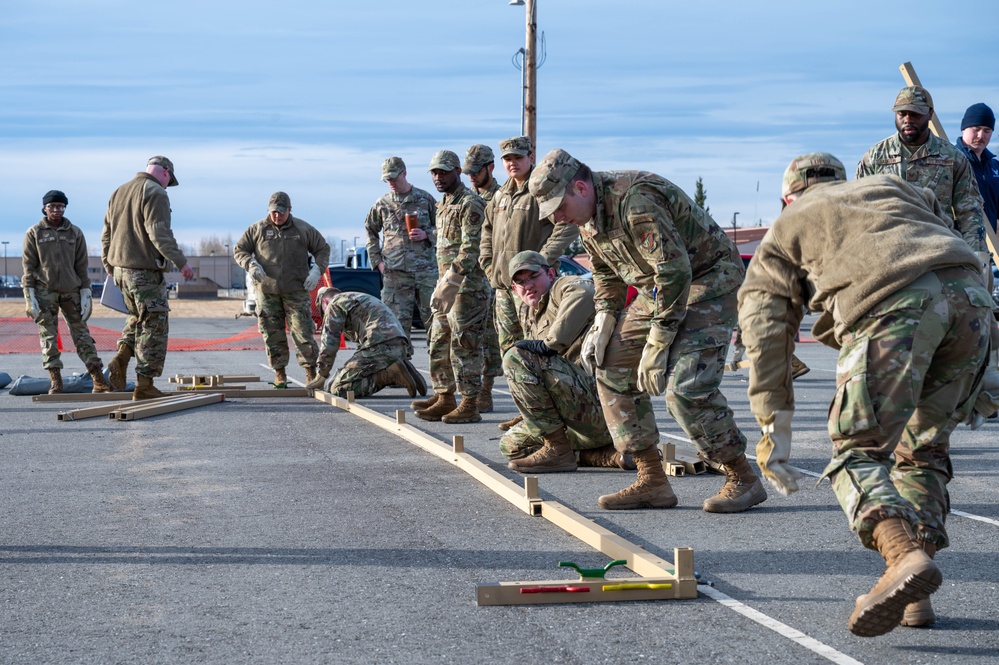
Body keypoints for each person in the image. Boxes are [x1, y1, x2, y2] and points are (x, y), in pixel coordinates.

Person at [739, 152, 999, 637]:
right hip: (975, 305)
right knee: (922, 451)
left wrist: (773, 427)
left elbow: (765, 330)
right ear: (843, 181)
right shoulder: (892, 188)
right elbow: (947, 250)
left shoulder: (788, 223)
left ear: (786, 196)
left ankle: (901, 557)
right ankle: (913, 594)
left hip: (894, 305)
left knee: (855, 449)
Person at [529, 148, 765, 513]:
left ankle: (742, 477)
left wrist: (658, 341)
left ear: (580, 187)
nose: (559, 217)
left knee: (684, 388)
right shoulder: (587, 217)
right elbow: (606, 273)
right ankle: (651, 479)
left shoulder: (635, 199)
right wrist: (606, 319)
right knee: (610, 364)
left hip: (707, 281)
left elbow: (675, 271)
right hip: (655, 289)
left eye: (560, 206)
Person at [501, 251, 633, 472]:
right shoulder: (532, 313)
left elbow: (585, 290)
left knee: (516, 357)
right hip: (577, 418)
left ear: (551, 273)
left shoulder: (562, 287)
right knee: (511, 445)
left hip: (605, 410)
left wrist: (551, 344)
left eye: (534, 277)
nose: (528, 285)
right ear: (515, 289)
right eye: (520, 282)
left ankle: (557, 448)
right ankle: (604, 456)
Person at [856, 86, 988, 263]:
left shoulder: (953, 158)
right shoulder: (875, 157)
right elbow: (859, 210)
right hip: (888, 255)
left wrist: (978, 256)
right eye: (902, 114)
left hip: (940, 253)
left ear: (930, 114)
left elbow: (970, 211)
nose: (908, 120)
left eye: (916, 114)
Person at [101, 156, 195, 400]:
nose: (167, 185)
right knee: (154, 324)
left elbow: (106, 233)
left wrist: (108, 265)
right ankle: (144, 385)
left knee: (137, 318)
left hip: (120, 269)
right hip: (143, 271)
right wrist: (182, 262)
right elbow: (159, 233)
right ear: (165, 172)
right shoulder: (155, 192)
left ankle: (121, 359)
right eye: (169, 180)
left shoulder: (119, 191)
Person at [480, 136, 578, 359]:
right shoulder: (500, 195)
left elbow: (567, 225)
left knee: (537, 346)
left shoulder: (542, 189)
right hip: (505, 286)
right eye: (507, 158)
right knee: (510, 350)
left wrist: (540, 262)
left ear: (530, 157)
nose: (512, 162)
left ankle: (543, 393)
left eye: (518, 157)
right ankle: (520, 394)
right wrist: (488, 265)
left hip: (533, 286)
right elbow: (487, 232)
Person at [411, 150, 490, 424]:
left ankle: (470, 402)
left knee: (464, 345)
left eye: (444, 172)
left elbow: (471, 248)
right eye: (434, 172)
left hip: (466, 287)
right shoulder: (443, 204)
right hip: (446, 286)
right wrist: (443, 283)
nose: (438, 177)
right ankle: (445, 396)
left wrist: (453, 278)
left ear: (458, 171)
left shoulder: (471, 203)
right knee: (438, 340)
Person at [234, 192, 330, 388]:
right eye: (273, 212)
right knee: (272, 334)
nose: (277, 216)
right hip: (267, 291)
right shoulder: (258, 229)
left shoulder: (302, 229)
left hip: (296, 290)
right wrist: (251, 264)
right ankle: (280, 373)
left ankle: (310, 372)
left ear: (289, 209)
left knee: (303, 332)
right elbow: (240, 250)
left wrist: (316, 271)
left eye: (281, 212)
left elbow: (323, 249)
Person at [22, 190, 113, 394]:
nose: (56, 210)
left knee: (82, 335)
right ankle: (56, 381)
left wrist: (86, 290)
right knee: (49, 337)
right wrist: (29, 295)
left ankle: (98, 379)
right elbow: (28, 267)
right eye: (52, 206)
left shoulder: (75, 233)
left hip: (72, 292)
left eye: (60, 206)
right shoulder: (34, 233)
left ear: (65, 208)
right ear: (44, 208)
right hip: (45, 291)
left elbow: (82, 265)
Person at [305, 286, 426, 398]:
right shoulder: (356, 298)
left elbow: (329, 342)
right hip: (398, 346)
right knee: (341, 377)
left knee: (337, 388)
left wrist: (322, 375)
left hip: (380, 346)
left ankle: (390, 375)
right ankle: (399, 365)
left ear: (324, 302)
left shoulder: (334, 304)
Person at [363, 157, 438, 338]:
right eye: (387, 180)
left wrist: (427, 234)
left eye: (394, 178)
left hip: (425, 271)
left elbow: (444, 227)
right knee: (394, 327)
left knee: (436, 323)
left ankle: (439, 365)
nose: (391, 183)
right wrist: (377, 261)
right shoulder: (383, 204)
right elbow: (370, 231)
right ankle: (400, 365)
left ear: (404, 173)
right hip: (395, 272)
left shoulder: (424, 199)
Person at [463, 144, 503, 412]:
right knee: (470, 338)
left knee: (492, 338)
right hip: (470, 279)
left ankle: (486, 391)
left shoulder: (501, 197)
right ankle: (470, 390)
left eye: (476, 171)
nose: (472, 177)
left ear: (490, 167)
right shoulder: (465, 198)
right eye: (468, 172)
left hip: (494, 276)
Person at [955, 103, 999, 234]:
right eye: (976, 129)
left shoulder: (994, 167)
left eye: (987, 131)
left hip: (987, 245)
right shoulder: (951, 162)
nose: (981, 136)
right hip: (958, 244)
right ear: (963, 129)